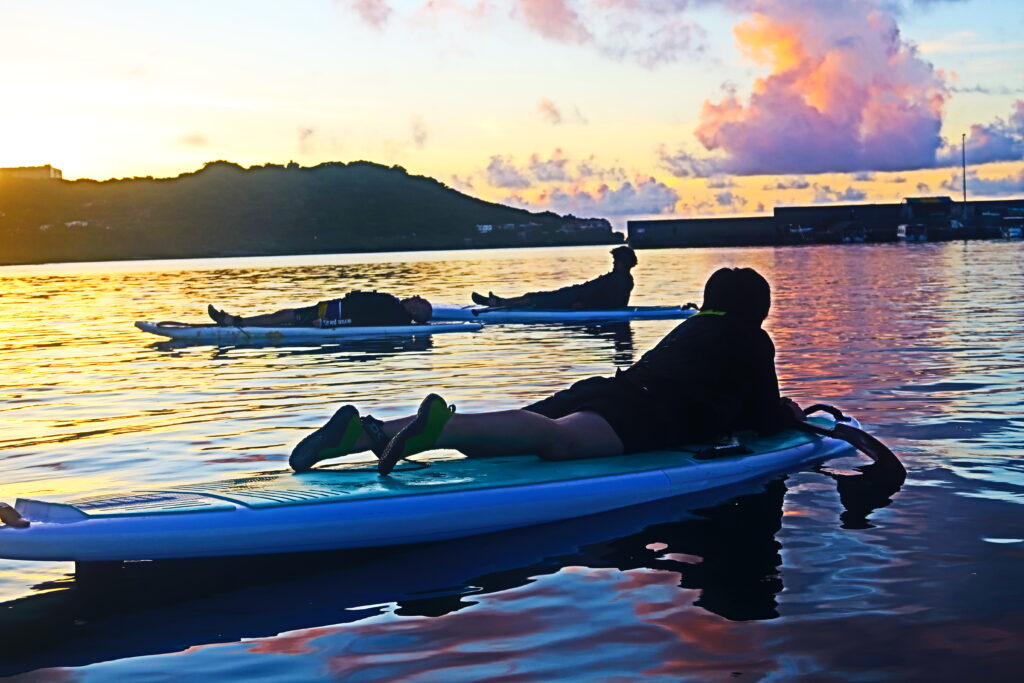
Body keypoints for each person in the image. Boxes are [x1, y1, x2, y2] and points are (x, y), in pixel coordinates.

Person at [290, 267, 798, 474]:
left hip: (605, 388)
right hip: (644, 411)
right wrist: (790, 417)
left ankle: (364, 433)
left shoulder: (691, 327)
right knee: (558, 442)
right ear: (755, 308)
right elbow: (764, 415)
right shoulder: (749, 337)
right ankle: (439, 428)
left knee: (512, 434)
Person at [471, 245, 637, 310]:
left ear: (622, 262)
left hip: (575, 299)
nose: (614, 263)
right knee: (536, 296)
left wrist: (584, 305)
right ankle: (501, 301)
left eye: (616, 260)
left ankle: (498, 303)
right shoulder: (619, 277)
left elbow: (613, 303)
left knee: (534, 298)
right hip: (574, 294)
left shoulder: (620, 280)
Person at [207, 291, 433, 328]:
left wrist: (329, 324)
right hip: (330, 307)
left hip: (331, 315)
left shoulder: (393, 315)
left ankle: (235, 322)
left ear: (415, 313)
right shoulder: (393, 305)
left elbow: (364, 321)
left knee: (281, 317)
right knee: (283, 316)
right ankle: (236, 321)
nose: (416, 296)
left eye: (419, 301)